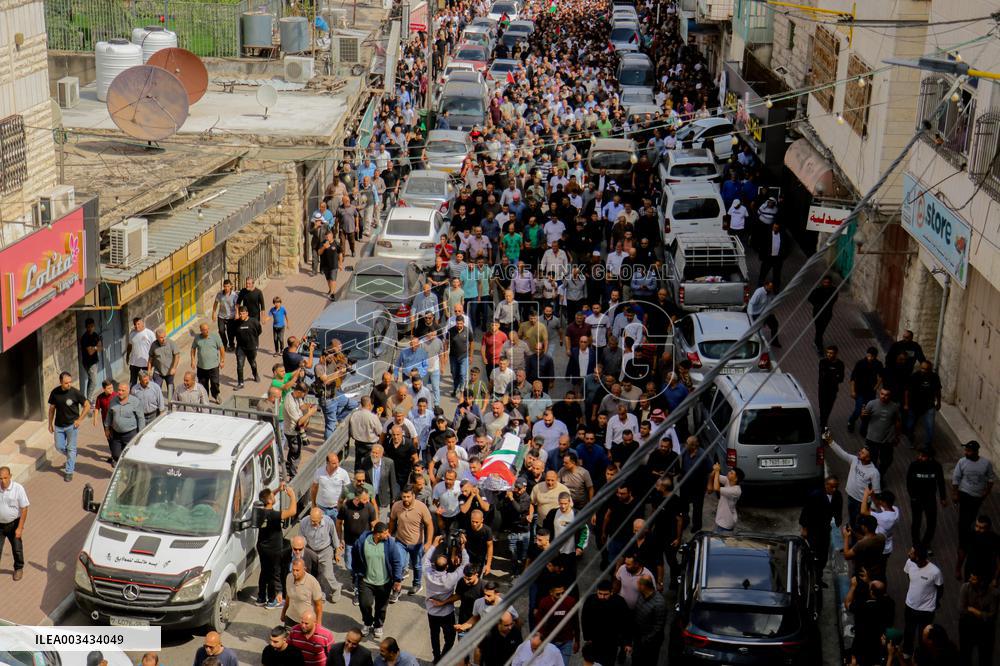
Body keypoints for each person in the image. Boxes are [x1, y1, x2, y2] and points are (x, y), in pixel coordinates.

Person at [350, 522, 405, 639]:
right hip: (366, 581)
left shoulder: (390, 543)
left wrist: (397, 580)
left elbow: (397, 562)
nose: (388, 535)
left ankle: (378, 625)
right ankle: (367, 622)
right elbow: (355, 557)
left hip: (384, 583)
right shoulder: (362, 542)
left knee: (381, 607)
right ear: (377, 534)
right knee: (365, 604)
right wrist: (355, 573)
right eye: (385, 533)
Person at [423, 534, 470, 661]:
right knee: (449, 638)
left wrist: (434, 544)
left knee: (434, 636)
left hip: (432, 612)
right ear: (447, 567)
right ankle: (444, 658)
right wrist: (463, 547)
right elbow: (465, 565)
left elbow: (425, 560)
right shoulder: (450, 578)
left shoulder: (428, 575)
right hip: (446, 613)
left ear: (435, 566)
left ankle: (437, 658)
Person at [822, 433, 880, 526]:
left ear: (868, 457)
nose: (860, 452)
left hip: (861, 503)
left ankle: (856, 538)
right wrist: (830, 441)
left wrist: (873, 508)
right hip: (850, 498)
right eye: (861, 450)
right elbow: (842, 453)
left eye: (863, 452)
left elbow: (876, 492)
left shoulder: (874, 472)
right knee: (852, 521)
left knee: (860, 524)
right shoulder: (855, 460)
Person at [953, 440, 995, 562]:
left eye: (968, 451)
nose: (966, 452)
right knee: (962, 520)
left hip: (977, 497)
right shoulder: (962, 462)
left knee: (971, 518)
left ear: (976, 452)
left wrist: (986, 493)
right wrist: (955, 493)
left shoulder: (986, 463)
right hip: (964, 494)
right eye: (965, 450)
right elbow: (956, 478)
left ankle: (969, 537)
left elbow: (991, 479)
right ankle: (962, 543)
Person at [388, 485, 435, 595]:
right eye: (404, 497)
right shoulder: (396, 506)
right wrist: (389, 535)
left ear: (413, 496)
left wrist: (428, 542)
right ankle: (397, 587)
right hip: (400, 541)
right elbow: (392, 521)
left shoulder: (421, 507)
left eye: (408, 497)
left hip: (417, 544)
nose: (406, 499)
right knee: (398, 563)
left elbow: (430, 525)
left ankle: (417, 584)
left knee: (417, 565)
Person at [257, 484, 298, 608]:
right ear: (269, 500)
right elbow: (292, 511)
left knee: (264, 571)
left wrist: (276, 490)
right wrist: (292, 496)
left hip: (262, 546)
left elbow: (268, 498)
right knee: (275, 574)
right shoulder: (274, 515)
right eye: (272, 496)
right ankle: (272, 600)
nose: (273, 497)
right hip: (273, 549)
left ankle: (261, 598)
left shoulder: (259, 512)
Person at [902, 544, 944, 659]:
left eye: (911, 553)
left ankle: (922, 656)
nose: (908, 554)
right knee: (908, 630)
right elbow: (908, 576)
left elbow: (940, 588)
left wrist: (935, 602)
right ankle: (907, 652)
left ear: (918, 558)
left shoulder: (935, 572)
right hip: (910, 605)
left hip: (926, 610)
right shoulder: (909, 563)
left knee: (923, 635)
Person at [47, 371, 90, 482]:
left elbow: (87, 405)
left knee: (71, 448)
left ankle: (69, 471)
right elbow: (51, 409)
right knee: (59, 447)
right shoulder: (55, 393)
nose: (69, 384)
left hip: (72, 426)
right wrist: (50, 424)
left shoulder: (75, 393)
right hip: (59, 426)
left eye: (70, 382)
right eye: (66, 383)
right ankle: (73, 455)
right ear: (61, 382)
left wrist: (80, 420)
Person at [799, 476, 842, 579]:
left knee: (823, 555)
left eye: (836, 487)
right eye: (832, 487)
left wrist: (838, 520)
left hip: (825, 529)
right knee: (812, 553)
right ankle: (807, 575)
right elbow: (806, 512)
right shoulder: (815, 495)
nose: (834, 489)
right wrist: (804, 528)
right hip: (813, 529)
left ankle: (818, 577)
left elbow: (838, 508)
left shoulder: (837, 495)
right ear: (826, 485)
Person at [580, 580, 630, 666]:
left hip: (611, 642)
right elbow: (585, 619)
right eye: (600, 593)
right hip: (594, 641)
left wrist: (627, 642)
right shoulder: (590, 600)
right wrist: (587, 638)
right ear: (597, 591)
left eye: (605, 594)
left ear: (611, 592)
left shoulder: (620, 602)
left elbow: (626, 623)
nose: (602, 597)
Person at [298, 507, 343, 602]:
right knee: (316, 574)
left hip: (325, 550)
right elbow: (302, 539)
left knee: (327, 574)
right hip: (311, 550)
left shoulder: (328, 522)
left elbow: (334, 537)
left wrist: (337, 553)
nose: (313, 523)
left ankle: (336, 588)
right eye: (312, 520)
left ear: (321, 517)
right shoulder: (304, 523)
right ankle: (320, 594)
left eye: (316, 521)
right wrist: (301, 554)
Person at [906, 447, 947, 551]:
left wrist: (943, 498)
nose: (919, 457)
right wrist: (912, 496)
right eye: (919, 455)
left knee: (932, 523)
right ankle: (916, 544)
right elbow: (909, 482)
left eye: (923, 456)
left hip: (930, 499)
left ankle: (925, 544)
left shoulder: (937, 466)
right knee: (916, 522)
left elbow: (941, 482)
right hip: (916, 499)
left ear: (930, 458)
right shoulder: (914, 465)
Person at [533, 581, 579, 664]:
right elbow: (539, 623)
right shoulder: (544, 603)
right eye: (558, 594)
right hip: (550, 642)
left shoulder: (570, 601)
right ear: (551, 593)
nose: (561, 596)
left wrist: (577, 640)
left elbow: (575, 621)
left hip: (566, 641)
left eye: (563, 593)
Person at [958, 572, 999, 666]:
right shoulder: (965, 587)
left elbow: (992, 616)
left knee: (985, 657)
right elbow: (961, 609)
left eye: (973, 579)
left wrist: (973, 610)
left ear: (982, 582)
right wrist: (983, 614)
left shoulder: (994, 594)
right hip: (967, 627)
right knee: (965, 654)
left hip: (985, 630)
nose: (970, 580)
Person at [861, 387, 902, 480]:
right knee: (871, 460)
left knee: (887, 461)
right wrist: (862, 415)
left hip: (887, 440)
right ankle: (872, 478)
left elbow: (898, 422)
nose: (883, 396)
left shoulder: (894, 407)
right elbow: (864, 418)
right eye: (882, 394)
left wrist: (897, 436)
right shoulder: (871, 404)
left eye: (886, 395)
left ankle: (879, 475)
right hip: (872, 438)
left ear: (890, 396)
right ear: (879, 393)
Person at [104, 382, 145, 465]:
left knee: (130, 455)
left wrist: (140, 434)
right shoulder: (113, 401)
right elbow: (109, 415)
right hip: (116, 434)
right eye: (119, 390)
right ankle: (123, 466)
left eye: (123, 390)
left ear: (128, 391)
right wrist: (106, 428)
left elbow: (141, 418)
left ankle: (127, 471)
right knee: (115, 455)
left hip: (130, 434)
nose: (120, 392)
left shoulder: (135, 401)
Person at [905, 361, 942, 449]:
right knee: (910, 425)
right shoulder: (914, 376)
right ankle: (911, 440)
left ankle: (927, 445)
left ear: (930, 369)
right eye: (922, 368)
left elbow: (938, 390)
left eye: (926, 369)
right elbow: (907, 391)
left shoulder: (934, 377)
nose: (923, 371)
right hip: (914, 405)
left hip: (929, 405)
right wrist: (906, 404)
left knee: (930, 427)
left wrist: (939, 402)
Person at [0, 466, 29, 581]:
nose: (3, 481)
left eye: (5, 478)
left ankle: (18, 568)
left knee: (17, 548)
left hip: (14, 525)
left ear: (10, 476)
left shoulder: (18, 489)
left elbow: (24, 508)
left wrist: (20, 527)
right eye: (0, 478)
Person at [284, 383, 318, 478]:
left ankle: (288, 466)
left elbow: (301, 406)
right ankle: (293, 475)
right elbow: (299, 422)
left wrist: (308, 406)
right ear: (299, 392)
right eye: (304, 394)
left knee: (292, 450)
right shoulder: (289, 402)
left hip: (296, 429)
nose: (304, 396)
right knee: (296, 453)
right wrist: (310, 413)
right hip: (292, 431)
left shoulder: (295, 394)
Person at [632, 576, 667, 664]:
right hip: (639, 638)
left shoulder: (659, 603)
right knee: (636, 660)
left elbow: (658, 627)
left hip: (650, 643)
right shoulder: (642, 594)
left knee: (648, 662)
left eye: (638, 584)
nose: (636, 586)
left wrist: (645, 640)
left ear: (643, 586)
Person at [847, 347, 883, 433]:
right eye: (869, 356)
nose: (870, 358)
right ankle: (851, 421)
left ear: (875, 356)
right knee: (859, 409)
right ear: (866, 354)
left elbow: (881, 376)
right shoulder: (860, 363)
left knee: (868, 410)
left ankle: (863, 428)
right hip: (859, 391)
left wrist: (876, 387)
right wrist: (852, 391)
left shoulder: (878, 364)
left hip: (870, 392)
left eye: (872, 356)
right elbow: (853, 377)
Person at [282, 557, 324, 628]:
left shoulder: (312, 582)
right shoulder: (289, 577)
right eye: (293, 570)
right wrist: (283, 613)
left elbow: (319, 605)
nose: (295, 573)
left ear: (304, 569)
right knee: (288, 638)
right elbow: (288, 597)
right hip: (290, 618)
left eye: (297, 570)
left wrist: (318, 623)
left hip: (305, 622)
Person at [311, 453, 351, 521]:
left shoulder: (343, 473)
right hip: (321, 508)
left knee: (336, 530)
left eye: (338, 462)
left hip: (336, 509)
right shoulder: (319, 472)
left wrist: (344, 506)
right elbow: (314, 488)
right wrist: (313, 503)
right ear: (327, 463)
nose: (337, 465)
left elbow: (348, 490)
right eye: (334, 463)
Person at [191, 323, 225, 402]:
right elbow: (193, 349)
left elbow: (222, 348)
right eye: (204, 330)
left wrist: (222, 361)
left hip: (214, 366)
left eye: (207, 329)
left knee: (215, 382)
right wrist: (192, 360)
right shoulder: (197, 338)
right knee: (203, 384)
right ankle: (204, 398)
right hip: (201, 366)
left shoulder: (215, 336)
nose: (206, 331)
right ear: (201, 330)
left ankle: (216, 395)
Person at [709, 462, 743, 532]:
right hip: (720, 520)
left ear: (736, 479)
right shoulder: (728, 481)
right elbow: (715, 476)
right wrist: (715, 470)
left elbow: (716, 488)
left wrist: (717, 470)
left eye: (731, 473)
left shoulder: (736, 490)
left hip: (726, 524)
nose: (729, 472)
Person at [148, 327, 180, 399]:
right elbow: (150, 358)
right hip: (158, 372)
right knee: (156, 388)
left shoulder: (171, 343)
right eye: (161, 337)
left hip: (169, 371)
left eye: (164, 336)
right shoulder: (154, 345)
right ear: (157, 337)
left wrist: (174, 368)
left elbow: (177, 356)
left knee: (171, 389)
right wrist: (149, 370)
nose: (163, 339)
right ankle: (158, 405)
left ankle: (171, 404)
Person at [234, 306, 263, 388]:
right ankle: (241, 383)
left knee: (252, 363)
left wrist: (254, 340)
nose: (241, 315)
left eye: (243, 314)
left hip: (252, 347)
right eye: (240, 314)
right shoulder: (237, 323)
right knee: (240, 365)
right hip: (240, 348)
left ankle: (255, 374)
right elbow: (234, 332)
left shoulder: (254, 322)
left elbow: (259, 331)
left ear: (247, 313)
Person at [808, 275, 838, 353]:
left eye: (828, 282)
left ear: (830, 283)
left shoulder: (833, 290)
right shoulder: (818, 290)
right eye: (825, 282)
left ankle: (816, 341)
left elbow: (833, 300)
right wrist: (817, 305)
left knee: (821, 330)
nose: (826, 284)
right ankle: (819, 346)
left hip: (827, 313)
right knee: (819, 330)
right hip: (818, 313)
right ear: (822, 282)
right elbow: (810, 298)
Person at [817, 345, 845, 430]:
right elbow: (822, 375)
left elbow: (841, 378)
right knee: (822, 407)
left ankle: (823, 423)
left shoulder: (840, 364)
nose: (829, 355)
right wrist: (834, 375)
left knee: (828, 408)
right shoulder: (823, 362)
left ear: (835, 354)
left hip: (832, 390)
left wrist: (830, 375)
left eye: (831, 353)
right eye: (828, 353)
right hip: (822, 389)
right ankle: (823, 423)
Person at [126, 317, 157, 386]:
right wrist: (127, 355)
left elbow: (155, 348)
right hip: (134, 363)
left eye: (138, 324)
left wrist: (153, 362)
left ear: (143, 323)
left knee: (147, 382)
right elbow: (130, 345)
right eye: (135, 324)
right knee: (132, 382)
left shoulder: (150, 334)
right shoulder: (132, 333)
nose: (136, 326)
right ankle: (132, 395)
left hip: (146, 363)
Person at [79, 318, 103, 399]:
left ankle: (89, 399)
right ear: (86, 327)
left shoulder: (95, 335)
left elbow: (100, 347)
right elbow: (90, 352)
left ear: (94, 326)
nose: (91, 328)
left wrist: (94, 347)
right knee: (94, 382)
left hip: (95, 361)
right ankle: (89, 400)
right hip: (88, 363)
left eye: (92, 326)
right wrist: (96, 347)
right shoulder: (85, 338)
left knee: (92, 380)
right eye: (89, 327)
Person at [212, 279, 238, 350]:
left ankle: (232, 345)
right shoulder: (220, 294)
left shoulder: (234, 295)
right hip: (221, 316)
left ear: (231, 286)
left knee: (230, 332)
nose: (226, 288)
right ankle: (224, 344)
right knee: (221, 331)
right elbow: (215, 303)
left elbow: (236, 305)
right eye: (225, 286)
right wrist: (213, 313)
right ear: (223, 286)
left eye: (228, 286)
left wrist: (237, 314)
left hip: (231, 316)